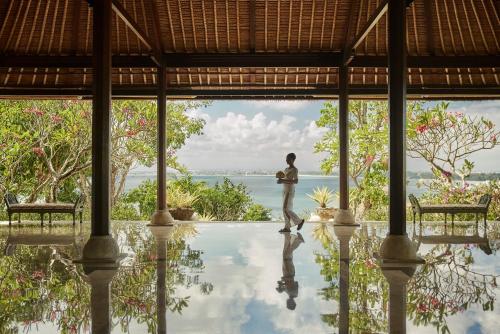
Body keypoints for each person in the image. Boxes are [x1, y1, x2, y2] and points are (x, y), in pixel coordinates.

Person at [276, 232, 304, 310]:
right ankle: (298, 241)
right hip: (288, 273)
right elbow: (290, 283)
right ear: (291, 303)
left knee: (286, 255)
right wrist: (282, 286)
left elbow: (293, 284)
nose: (287, 302)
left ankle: (292, 238)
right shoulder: (292, 293)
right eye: (288, 303)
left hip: (289, 273)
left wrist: (281, 285)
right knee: (286, 256)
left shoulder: (292, 294)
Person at [277, 152, 305, 233]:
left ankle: (299, 221)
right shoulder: (286, 169)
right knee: (285, 209)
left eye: (288, 159)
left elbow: (295, 181)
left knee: (285, 208)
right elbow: (285, 180)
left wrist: (282, 180)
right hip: (284, 190)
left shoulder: (294, 170)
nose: (286, 160)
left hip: (290, 191)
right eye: (286, 159)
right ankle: (287, 227)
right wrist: (281, 181)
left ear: (293, 160)